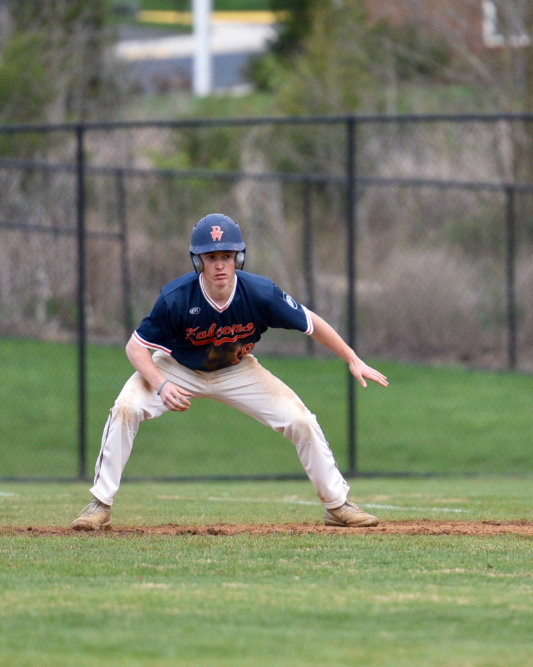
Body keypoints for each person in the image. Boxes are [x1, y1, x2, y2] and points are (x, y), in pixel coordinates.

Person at [72, 213, 388, 530]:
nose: (220, 264)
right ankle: (100, 505)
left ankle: (337, 506)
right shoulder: (176, 297)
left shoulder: (261, 293)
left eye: (227, 256)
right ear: (199, 261)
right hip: (177, 368)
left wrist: (352, 358)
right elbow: (135, 347)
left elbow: (311, 322)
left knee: (301, 420)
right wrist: (161, 384)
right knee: (126, 409)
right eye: (212, 257)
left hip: (237, 369)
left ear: (239, 258)